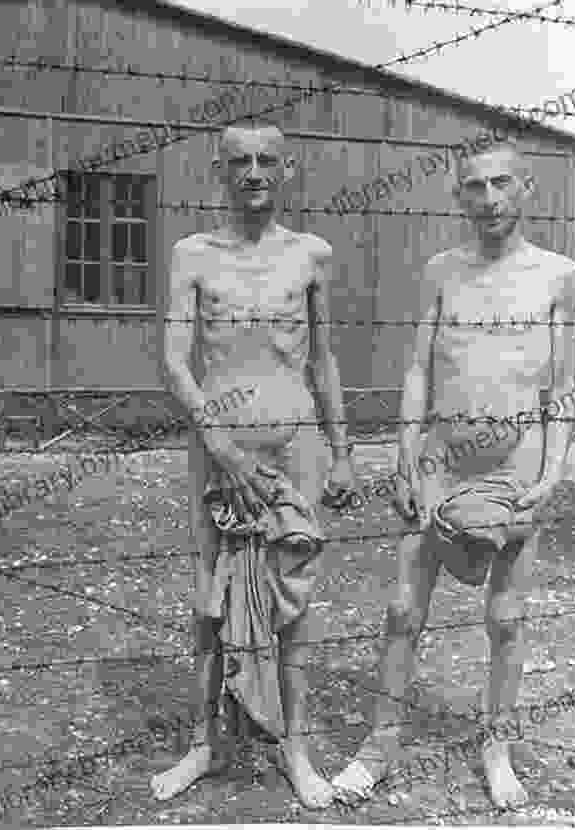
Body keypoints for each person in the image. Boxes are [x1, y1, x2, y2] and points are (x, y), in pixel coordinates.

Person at [332, 136, 575, 809]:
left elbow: (561, 386)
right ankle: (380, 745)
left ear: (527, 188)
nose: (490, 199)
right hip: (441, 459)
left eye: (502, 183)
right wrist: (405, 455)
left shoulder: (559, 274)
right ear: (458, 196)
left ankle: (495, 746)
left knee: (505, 617)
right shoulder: (441, 269)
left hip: (515, 465)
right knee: (400, 611)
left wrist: (554, 468)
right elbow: (418, 368)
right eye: (475, 186)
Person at [150, 120, 355, 809]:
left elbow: (324, 358)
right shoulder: (193, 255)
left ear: (287, 168)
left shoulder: (312, 255)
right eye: (240, 161)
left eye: (268, 160)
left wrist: (344, 451)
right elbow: (176, 359)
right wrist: (222, 444)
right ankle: (202, 745)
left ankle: (295, 747)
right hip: (218, 447)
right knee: (209, 600)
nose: (254, 172)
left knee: (294, 599)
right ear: (221, 170)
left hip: (296, 446)